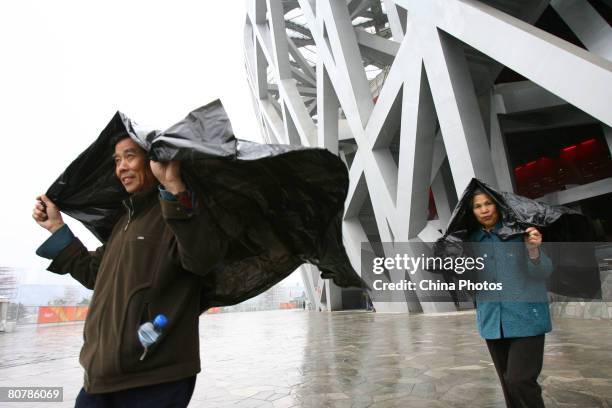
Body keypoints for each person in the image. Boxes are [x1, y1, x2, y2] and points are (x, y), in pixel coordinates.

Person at [32, 136, 227, 407]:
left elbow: (203, 258)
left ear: (154, 160)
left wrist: (173, 185)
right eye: (116, 160)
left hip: (154, 378)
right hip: (100, 377)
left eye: (129, 156)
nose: (121, 167)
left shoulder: (180, 211)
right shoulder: (125, 221)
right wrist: (57, 229)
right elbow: (93, 274)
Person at [468, 188, 553, 408]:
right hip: (492, 321)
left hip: (527, 319)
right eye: (478, 206)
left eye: (488, 203)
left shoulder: (519, 233)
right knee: (508, 384)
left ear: (497, 205)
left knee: (520, 380)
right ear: (472, 211)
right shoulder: (469, 242)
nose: (484, 210)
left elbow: (543, 271)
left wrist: (533, 251)